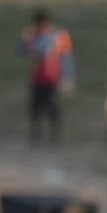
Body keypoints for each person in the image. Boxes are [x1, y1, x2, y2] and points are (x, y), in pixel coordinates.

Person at [16, 8, 74, 142]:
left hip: (53, 78)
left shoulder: (58, 35)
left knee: (54, 108)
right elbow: (21, 51)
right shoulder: (33, 36)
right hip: (37, 78)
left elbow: (66, 57)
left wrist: (67, 77)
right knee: (35, 109)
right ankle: (35, 137)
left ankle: (55, 138)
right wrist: (26, 38)